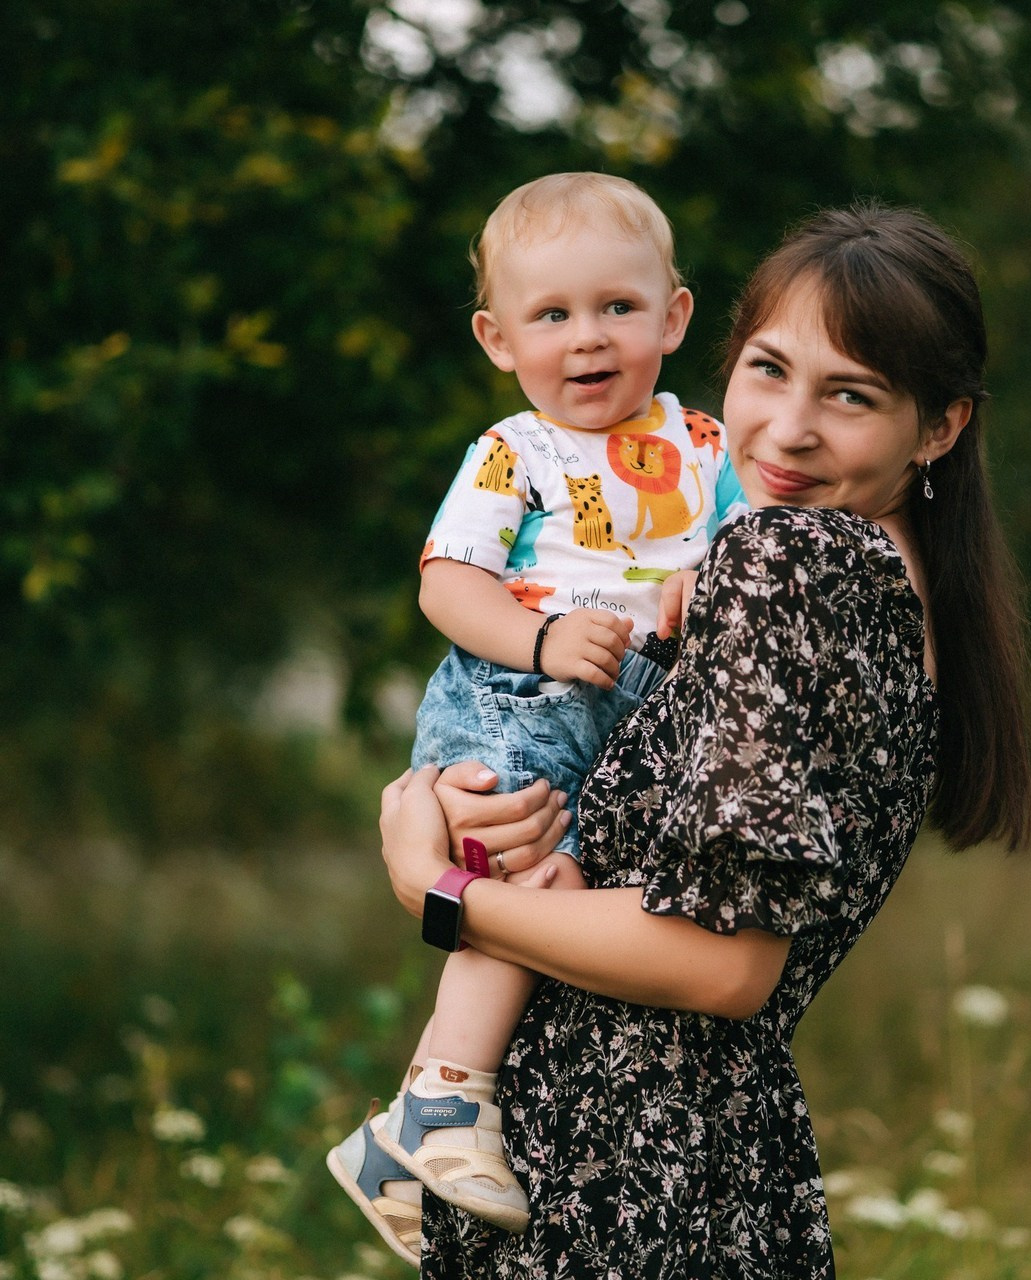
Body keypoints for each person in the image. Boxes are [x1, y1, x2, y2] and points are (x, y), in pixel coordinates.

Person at [378, 201, 1031, 1278]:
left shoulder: (787, 566)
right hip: (710, 1176)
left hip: (617, 1183)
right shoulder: (882, 594)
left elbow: (722, 962)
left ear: (939, 426)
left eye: (851, 395)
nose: (785, 429)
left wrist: (441, 892)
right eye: (768, 370)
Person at [326, 173, 745, 1261]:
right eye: (551, 316)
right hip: (516, 697)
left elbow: (748, 550)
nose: (588, 338)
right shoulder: (513, 451)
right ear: (497, 338)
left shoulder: (706, 444)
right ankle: (439, 1098)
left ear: (673, 315)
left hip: (626, 711)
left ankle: (404, 1140)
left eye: (616, 306)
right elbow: (446, 585)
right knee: (519, 875)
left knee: (561, 889)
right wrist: (545, 639)